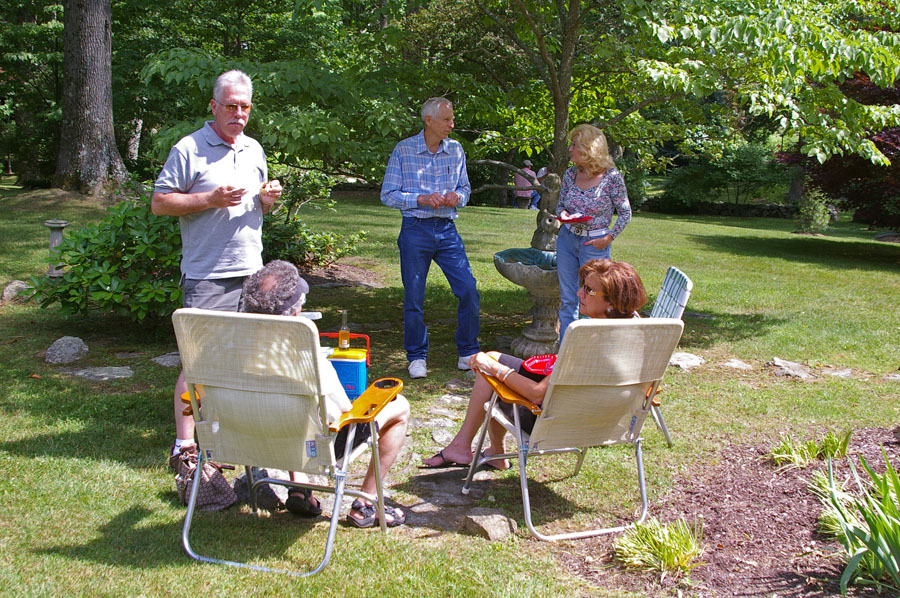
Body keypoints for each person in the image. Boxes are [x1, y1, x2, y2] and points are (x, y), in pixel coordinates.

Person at [152, 69, 283, 464]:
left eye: (245, 107)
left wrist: (268, 199)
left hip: (251, 271)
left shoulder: (254, 149)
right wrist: (209, 199)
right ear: (214, 106)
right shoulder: (189, 149)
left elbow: (256, 206)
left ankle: (227, 440)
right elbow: (160, 203)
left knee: (243, 361)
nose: (239, 114)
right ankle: (185, 447)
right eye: (231, 106)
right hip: (208, 272)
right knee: (199, 362)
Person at [422, 259, 647, 469]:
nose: (580, 293)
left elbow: (537, 394)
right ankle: (490, 449)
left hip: (556, 423)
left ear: (611, 302)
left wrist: (495, 371)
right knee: (492, 356)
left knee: (489, 370)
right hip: (603, 420)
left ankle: (462, 448)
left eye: (588, 289)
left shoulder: (588, 339)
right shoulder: (641, 333)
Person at [241, 260, 411, 527]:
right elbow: (343, 417)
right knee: (399, 405)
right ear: (296, 315)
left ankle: (299, 487)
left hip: (247, 438)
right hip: (309, 447)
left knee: (286, 411)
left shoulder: (228, 355)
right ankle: (366, 502)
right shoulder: (309, 362)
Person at [380, 97, 481, 380]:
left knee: (468, 290)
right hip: (415, 230)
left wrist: (456, 197)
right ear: (429, 121)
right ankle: (416, 356)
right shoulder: (404, 150)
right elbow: (388, 194)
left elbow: (465, 190)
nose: (452, 124)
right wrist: (421, 199)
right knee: (414, 296)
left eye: (451, 119)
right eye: (447, 120)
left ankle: (468, 352)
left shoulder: (456, 150)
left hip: (448, 230)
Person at [556, 124, 632, 345]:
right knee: (569, 300)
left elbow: (626, 213)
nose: (569, 149)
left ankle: (591, 352)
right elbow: (561, 204)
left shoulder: (611, 177)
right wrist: (563, 214)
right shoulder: (570, 174)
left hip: (594, 244)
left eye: (574, 145)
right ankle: (565, 357)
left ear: (589, 149)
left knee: (595, 300)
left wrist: (608, 238)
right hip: (567, 240)